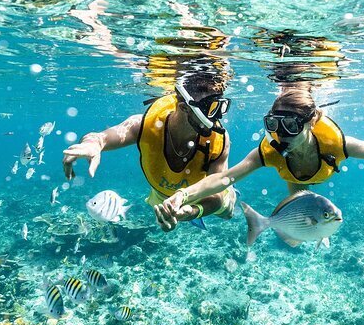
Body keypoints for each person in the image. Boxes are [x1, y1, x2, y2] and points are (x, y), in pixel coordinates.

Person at [155, 88, 364, 231]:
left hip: (316, 169)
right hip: (295, 182)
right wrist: (183, 195)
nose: (281, 134)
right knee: (300, 219)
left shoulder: (334, 144)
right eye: (274, 125)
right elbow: (224, 178)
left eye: (290, 125)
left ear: (313, 120)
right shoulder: (271, 150)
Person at [62, 73, 236, 230]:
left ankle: (233, 192)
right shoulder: (144, 126)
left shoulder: (219, 141)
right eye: (211, 109)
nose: (217, 118)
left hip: (203, 194)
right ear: (184, 107)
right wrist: (93, 144)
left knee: (227, 213)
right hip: (162, 196)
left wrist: (191, 212)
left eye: (220, 107)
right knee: (164, 211)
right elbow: (102, 137)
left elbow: (217, 194)